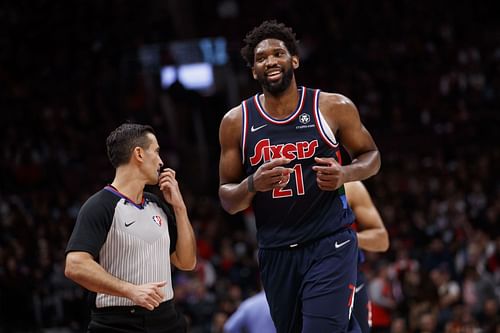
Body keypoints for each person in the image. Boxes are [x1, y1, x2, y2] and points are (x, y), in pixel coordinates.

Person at [218, 20, 381, 332]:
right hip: (276, 252)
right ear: (254, 71)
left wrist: (344, 173)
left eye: (277, 53)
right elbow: (228, 198)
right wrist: (253, 183)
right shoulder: (236, 122)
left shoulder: (332, 106)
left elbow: (372, 157)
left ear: (294, 59)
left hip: (329, 243)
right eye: (261, 58)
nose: (270, 61)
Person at [65, 123, 196, 332]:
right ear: (139, 154)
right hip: (118, 323)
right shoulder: (100, 205)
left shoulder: (158, 204)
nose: (161, 162)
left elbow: (187, 262)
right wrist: (130, 290)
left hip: (167, 319)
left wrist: (179, 207)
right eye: (156, 152)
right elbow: (75, 265)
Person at [345, 180, 390, 333]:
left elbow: (382, 240)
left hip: (351, 279)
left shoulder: (350, 187)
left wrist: (344, 239)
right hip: (310, 277)